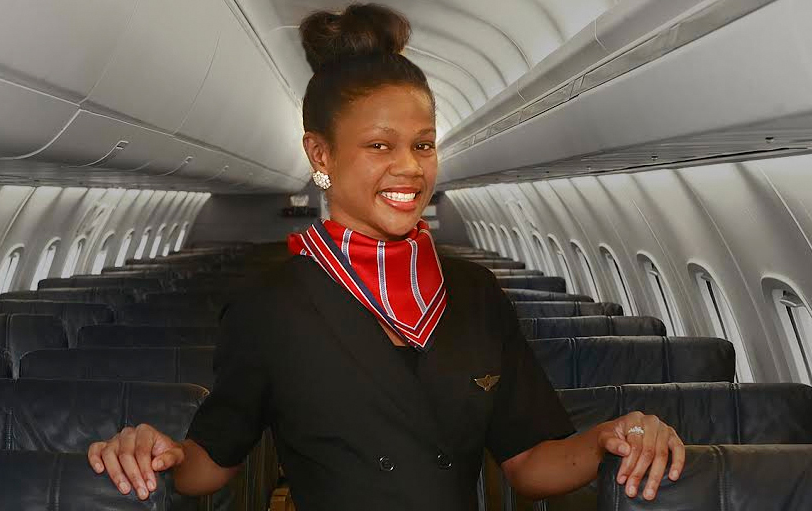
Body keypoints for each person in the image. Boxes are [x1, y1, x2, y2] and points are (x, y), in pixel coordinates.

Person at [87, 4, 685, 510]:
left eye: (423, 144)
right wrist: (152, 450)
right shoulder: (269, 308)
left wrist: (613, 434)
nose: (410, 167)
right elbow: (211, 462)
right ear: (320, 154)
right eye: (380, 146)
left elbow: (529, 462)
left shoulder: (475, 293)